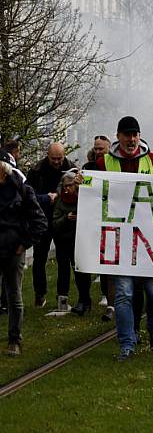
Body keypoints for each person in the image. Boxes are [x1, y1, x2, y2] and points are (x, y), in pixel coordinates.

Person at [91, 116, 153, 360]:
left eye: (135, 134)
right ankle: (127, 342)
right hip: (120, 242)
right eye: (127, 135)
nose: (131, 139)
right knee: (124, 292)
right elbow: (93, 192)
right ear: (118, 136)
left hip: (148, 242)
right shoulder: (103, 162)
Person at [0, 151, 48, 356]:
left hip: (14, 250)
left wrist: (24, 244)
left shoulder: (22, 189)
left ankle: (14, 339)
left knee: (14, 295)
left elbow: (39, 222)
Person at [26, 142, 77, 307]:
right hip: (42, 220)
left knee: (64, 261)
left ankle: (63, 297)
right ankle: (40, 294)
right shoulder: (36, 170)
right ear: (47, 156)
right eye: (53, 158)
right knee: (39, 259)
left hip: (63, 222)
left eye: (59, 158)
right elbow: (28, 194)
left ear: (64, 155)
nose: (56, 162)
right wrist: (46, 197)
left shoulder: (72, 169)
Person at [52, 170, 92, 315]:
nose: (67, 189)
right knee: (63, 270)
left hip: (80, 241)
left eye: (70, 185)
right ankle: (63, 300)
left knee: (81, 272)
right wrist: (66, 219)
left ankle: (84, 300)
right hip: (63, 241)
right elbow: (55, 223)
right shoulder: (59, 201)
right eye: (65, 186)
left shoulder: (84, 198)